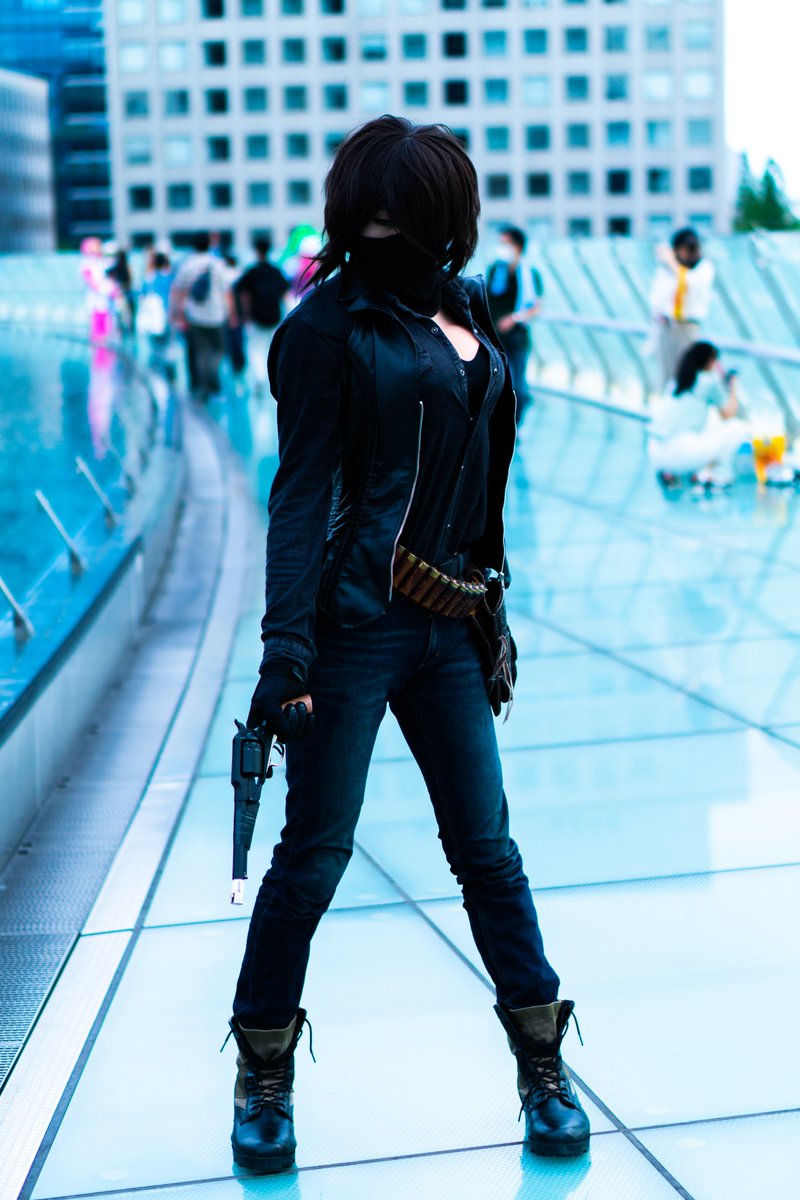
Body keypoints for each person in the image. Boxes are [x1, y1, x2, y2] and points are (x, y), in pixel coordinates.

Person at [226, 115, 589, 1176]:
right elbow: (299, 498)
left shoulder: (467, 310)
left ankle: (542, 1070)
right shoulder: (323, 330)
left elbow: (478, 480)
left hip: (452, 622)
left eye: (403, 215)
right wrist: (283, 654)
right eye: (369, 215)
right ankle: (262, 1077)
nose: (383, 233)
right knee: (312, 859)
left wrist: (489, 610)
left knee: (488, 853)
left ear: (443, 218)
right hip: (350, 629)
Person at [648, 341, 750, 489]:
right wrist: (734, 386)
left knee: (709, 422)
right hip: (680, 453)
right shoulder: (709, 381)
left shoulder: (675, 382)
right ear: (710, 361)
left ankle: (680, 473)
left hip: (655, 452)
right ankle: (713, 474)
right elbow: (728, 414)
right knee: (737, 427)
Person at [486, 225, 543, 425]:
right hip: (495, 337)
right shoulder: (495, 271)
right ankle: (500, 426)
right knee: (499, 384)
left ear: (517, 246)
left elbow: (536, 306)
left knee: (518, 386)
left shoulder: (530, 274)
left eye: (506, 243)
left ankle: (514, 427)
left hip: (518, 336)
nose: (502, 248)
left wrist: (514, 318)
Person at [169, 231, 234, 402]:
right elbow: (227, 291)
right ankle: (212, 379)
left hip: (195, 316)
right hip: (217, 315)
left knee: (200, 352)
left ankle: (203, 386)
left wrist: (177, 314)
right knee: (217, 350)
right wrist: (231, 313)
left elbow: (178, 291)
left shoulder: (187, 265)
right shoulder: (217, 264)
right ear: (209, 244)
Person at [649, 228, 715, 389]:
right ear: (676, 250)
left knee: (688, 376)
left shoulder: (703, 268)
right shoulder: (665, 271)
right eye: (685, 248)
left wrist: (672, 263)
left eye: (694, 247)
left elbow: (689, 284)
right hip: (667, 327)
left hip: (688, 327)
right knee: (666, 378)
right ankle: (667, 403)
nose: (691, 253)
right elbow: (656, 299)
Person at [235, 238, 290, 395]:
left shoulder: (252, 272)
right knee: (272, 349)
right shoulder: (276, 271)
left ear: (256, 251)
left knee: (255, 350)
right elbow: (285, 294)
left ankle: (259, 378)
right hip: (274, 317)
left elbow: (243, 293)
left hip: (257, 317)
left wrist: (245, 315)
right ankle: (274, 378)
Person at [139, 251, 175, 378]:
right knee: (169, 345)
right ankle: (168, 371)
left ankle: (154, 371)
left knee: (154, 346)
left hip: (152, 318)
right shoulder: (170, 278)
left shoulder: (149, 278)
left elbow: (142, 297)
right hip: (167, 315)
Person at [79, 238, 118, 344]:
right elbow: (90, 280)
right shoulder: (87, 264)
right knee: (97, 327)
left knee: (108, 325)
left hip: (106, 300)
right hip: (96, 299)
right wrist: (103, 289)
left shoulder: (102, 262)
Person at [224, 253, 247, 378]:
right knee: (239, 340)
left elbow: (229, 297)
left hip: (229, 314)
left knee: (231, 341)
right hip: (239, 313)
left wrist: (231, 314)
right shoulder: (239, 274)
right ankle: (239, 364)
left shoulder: (225, 275)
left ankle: (235, 365)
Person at [106, 247, 136, 338]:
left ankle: (122, 335)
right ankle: (128, 335)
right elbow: (130, 282)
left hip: (120, 296)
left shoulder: (115, 269)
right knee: (128, 319)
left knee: (120, 318)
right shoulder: (126, 268)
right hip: (126, 295)